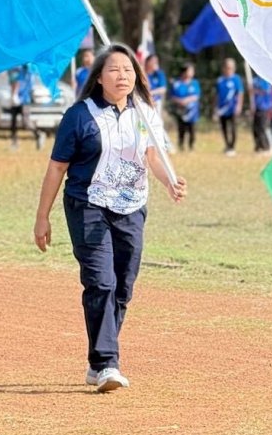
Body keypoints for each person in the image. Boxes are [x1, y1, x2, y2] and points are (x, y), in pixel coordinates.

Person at [34, 44, 186, 393]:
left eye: (128, 70)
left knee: (123, 285)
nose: (122, 76)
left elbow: (153, 157)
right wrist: (42, 217)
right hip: (88, 204)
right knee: (101, 282)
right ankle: (106, 363)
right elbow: (57, 168)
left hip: (132, 207)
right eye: (114, 69)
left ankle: (98, 360)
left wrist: (170, 182)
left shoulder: (146, 113)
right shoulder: (79, 115)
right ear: (99, 77)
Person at [7, 64, 44, 151]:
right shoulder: (12, 67)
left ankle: (38, 134)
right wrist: (13, 95)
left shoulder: (26, 68)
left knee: (26, 122)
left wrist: (15, 94)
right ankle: (14, 143)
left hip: (24, 99)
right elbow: (13, 82)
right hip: (16, 97)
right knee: (13, 122)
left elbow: (19, 81)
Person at [214, 59, 244, 157]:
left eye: (231, 68)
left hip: (232, 108)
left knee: (233, 127)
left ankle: (232, 146)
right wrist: (215, 107)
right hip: (222, 109)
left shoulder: (236, 79)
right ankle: (227, 145)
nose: (229, 70)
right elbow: (217, 95)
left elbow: (240, 93)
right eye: (227, 68)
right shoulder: (220, 80)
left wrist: (239, 106)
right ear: (224, 68)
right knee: (224, 128)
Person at [169, 64, 200, 152]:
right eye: (190, 71)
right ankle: (181, 145)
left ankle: (191, 146)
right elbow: (172, 96)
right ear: (184, 72)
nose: (192, 73)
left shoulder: (194, 83)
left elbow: (196, 96)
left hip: (192, 111)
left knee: (192, 129)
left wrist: (187, 100)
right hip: (180, 110)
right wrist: (180, 101)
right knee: (181, 128)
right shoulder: (177, 83)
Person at [251, 74, 272, 154]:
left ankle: (266, 147)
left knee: (262, 127)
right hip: (257, 107)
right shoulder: (255, 80)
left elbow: (267, 91)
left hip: (264, 107)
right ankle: (259, 146)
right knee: (255, 128)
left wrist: (255, 91)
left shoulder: (266, 80)